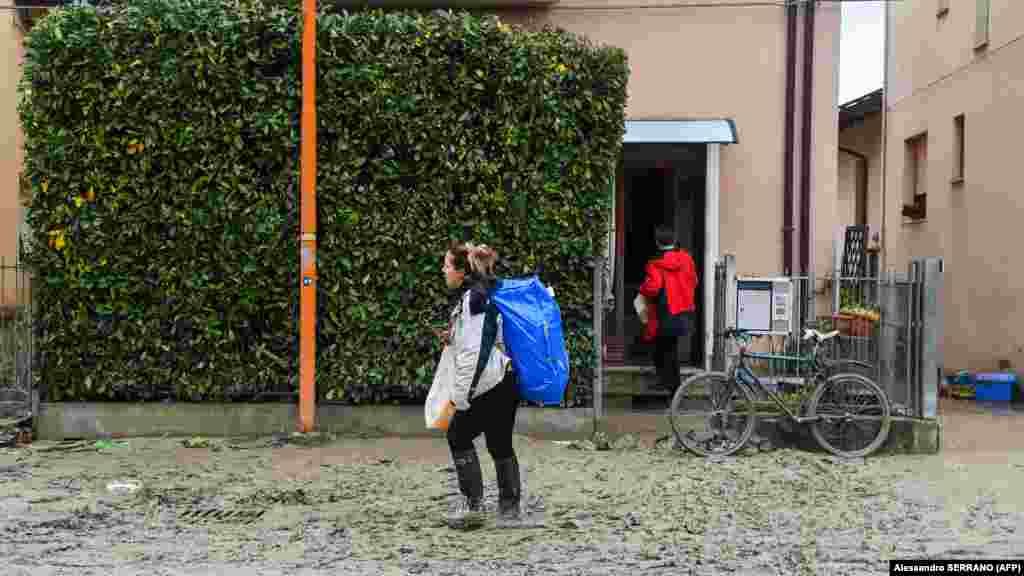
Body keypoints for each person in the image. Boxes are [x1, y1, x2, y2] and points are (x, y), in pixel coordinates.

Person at [438, 241, 522, 529]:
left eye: (448, 265)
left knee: (458, 434)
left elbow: (475, 353)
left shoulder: (474, 299)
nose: (444, 270)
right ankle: (510, 508)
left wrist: (460, 397)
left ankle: (473, 507)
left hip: (490, 383)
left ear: (462, 271)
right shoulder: (485, 293)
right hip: (507, 380)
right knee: (500, 443)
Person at [638, 226, 698, 391]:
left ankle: (669, 384)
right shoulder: (687, 259)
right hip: (685, 310)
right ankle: (672, 386)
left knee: (661, 349)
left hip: (666, 312)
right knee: (671, 348)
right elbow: (694, 281)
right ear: (674, 240)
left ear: (657, 242)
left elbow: (653, 288)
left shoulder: (655, 264)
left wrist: (642, 288)